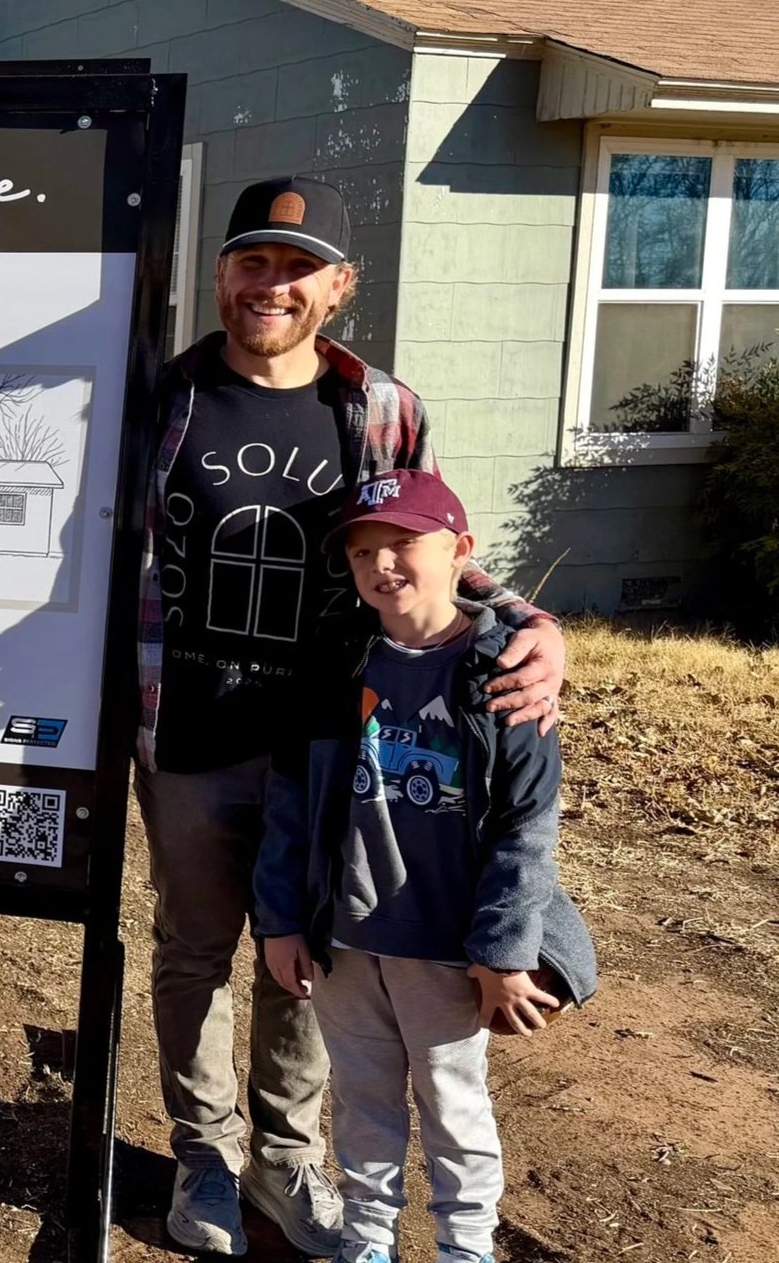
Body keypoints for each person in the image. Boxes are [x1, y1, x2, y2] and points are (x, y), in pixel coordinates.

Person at [134, 176, 568, 1256]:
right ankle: (203, 1164)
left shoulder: (380, 406)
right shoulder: (163, 396)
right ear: (221, 274)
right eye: (251, 261)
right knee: (196, 951)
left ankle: (284, 1162)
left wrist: (529, 619)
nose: (269, 283)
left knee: (308, 955)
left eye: (295, 266)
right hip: (186, 728)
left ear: (337, 286)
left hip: (335, 737)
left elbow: (421, 543)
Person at [252, 469, 597, 1263]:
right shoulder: (337, 668)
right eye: (364, 551)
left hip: (446, 949)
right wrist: (278, 921)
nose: (383, 565)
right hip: (346, 941)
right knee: (364, 1105)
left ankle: (464, 1249)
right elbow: (290, 806)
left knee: (452, 1106)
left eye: (404, 544)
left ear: (461, 552)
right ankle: (367, 1244)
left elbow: (526, 827)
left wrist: (503, 955)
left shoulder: (504, 673)